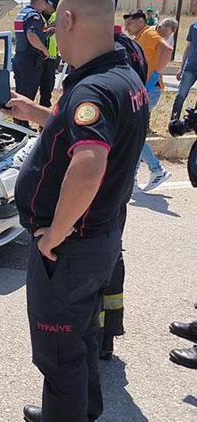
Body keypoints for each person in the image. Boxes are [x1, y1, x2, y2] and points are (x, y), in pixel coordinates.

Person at [4, 0, 148, 420]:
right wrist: (37, 113)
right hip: (99, 239)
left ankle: (65, 413)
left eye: (54, 26)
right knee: (83, 335)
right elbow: (81, 128)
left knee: (58, 354)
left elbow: (88, 165)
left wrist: (55, 233)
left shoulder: (92, 90)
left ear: (68, 21)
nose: (53, 35)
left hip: (70, 248)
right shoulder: (123, 77)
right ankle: (83, 410)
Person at [97, 22, 150, 362]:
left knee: (95, 266)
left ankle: (96, 339)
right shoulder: (131, 53)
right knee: (114, 256)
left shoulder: (104, 63)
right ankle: (108, 336)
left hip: (103, 187)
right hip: (121, 180)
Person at [125, 9, 173, 192]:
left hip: (150, 90)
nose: (127, 27)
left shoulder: (148, 33)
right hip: (145, 90)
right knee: (136, 131)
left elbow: (167, 49)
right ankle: (134, 178)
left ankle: (156, 169)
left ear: (139, 21)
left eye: (129, 23)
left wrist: (154, 78)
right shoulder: (141, 37)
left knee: (133, 132)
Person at [12, 0, 51, 128]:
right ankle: (22, 125)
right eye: (45, 2)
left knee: (20, 92)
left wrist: (45, 33)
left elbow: (28, 32)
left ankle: (18, 122)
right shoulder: (34, 15)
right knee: (27, 94)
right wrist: (44, 50)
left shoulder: (22, 13)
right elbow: (31, 34)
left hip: (20, 57)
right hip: (30, 60)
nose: (45, 6)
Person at [172, 21, 197, 121]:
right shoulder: (194, 26)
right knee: (181, 95)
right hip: (190, 67)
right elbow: (188, 46)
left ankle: (194, 123)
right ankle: (174, 121)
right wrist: (181, 68)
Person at [40, 0, 60, 109]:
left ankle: (43, 117)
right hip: (38, 56)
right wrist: (51, 26)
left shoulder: (57, 14)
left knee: (47, 87)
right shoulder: (37, 14)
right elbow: (36, 32)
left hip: (52, 57)